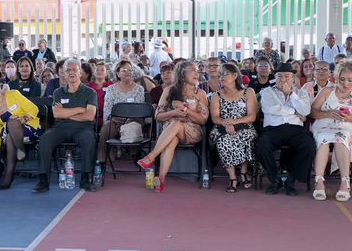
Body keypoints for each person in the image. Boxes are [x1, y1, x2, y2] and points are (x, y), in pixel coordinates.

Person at [138, 60, 208, 192]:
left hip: (193, 131)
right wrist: (173, 112)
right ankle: (161, 179)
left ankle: (152, 156)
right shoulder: (169, 90)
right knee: (171, 139)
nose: (196, 73)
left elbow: (203, 120)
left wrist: (187, 111)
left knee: (175, 124)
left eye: (197, 71)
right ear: (182, 74)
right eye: (193, 70)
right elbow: (158, 116)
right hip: (171, 130)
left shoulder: (200, 94)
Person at [33, 58, 98, 192]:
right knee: (45, 138)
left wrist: (66, 112)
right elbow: (57, 114)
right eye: (68, 70)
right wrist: (80, 109)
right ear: (63, 73)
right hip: (61, 128)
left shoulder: (90, 93)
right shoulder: (58, 92)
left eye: (75, 70)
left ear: (81, 73)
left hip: (83, 128)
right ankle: (43, 180)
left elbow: (90, 116)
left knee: (89, 139)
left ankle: (86, 179)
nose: (71, 72)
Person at [309, 62, 352, 202]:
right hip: (324, 123)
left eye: (350, 80)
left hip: (347, 125)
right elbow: (312, 112)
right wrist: (328, 114)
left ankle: (345, 181)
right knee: (323, 138)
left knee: (341, 138)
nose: (345, 83)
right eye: (342, 79)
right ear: (336, 78)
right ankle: (319, 180)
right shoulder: (327, 91)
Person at [255, 63, 315, 196]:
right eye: (280, 76)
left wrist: (291, 95)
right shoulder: (267, 92)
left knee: (309, 145)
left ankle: (291, 179)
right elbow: (270, 109)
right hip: (273, 129)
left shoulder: (302, 93)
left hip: (295, 130)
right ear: (275, 77)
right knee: (262, 145)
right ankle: (274, 179)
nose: (283, 79)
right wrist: (294, 112)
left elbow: (305, 111)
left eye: (287, 76)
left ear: (293, 78)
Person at [0, 74, 41, 190]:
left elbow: (34, 109)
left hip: (30, 128)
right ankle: (20, 153)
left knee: (12, 123)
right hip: (9, 134)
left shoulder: (13, 94)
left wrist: (23, 119)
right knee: (9, 133)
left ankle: (9, 175)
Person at [208, 64, 258, 192]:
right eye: (220, 75)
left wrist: (234, 122)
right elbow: (215, 117)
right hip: (222, 128)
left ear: (235, 75)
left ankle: (243, 171)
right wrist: (226, 123)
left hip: (244, 125)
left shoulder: (248, 92)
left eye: (224, 74)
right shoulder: (216, 96)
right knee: (224, 140)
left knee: (247, 136)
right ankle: (233, 178)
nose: (221, 77)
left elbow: (252, 116)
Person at [98, 60, 149, 165]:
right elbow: (107, 110)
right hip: (115, 120)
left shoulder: (139, 89)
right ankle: (104, 159)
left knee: (134, 125)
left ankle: (134, 154)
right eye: (124, 70)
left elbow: (139, 110)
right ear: (118, 74)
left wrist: (127, 120)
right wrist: (110, 120)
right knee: (106, 128)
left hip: (134, 119)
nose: (128, 73)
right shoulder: (111, 89)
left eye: (130, 70)